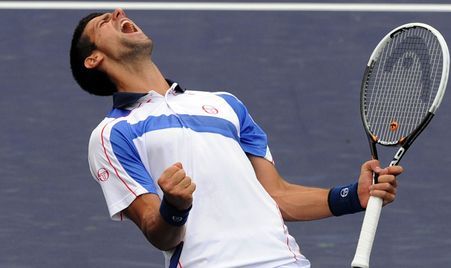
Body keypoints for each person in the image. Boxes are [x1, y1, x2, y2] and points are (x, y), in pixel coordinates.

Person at [70, 8, 402, 268]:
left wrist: (352, 196)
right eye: (103, 22)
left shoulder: (225, 104)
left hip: (286, 262)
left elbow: (278, 196)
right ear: (93, 58)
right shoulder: (111, 135)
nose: (118, 12)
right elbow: (157, 232)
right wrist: (174, 206)